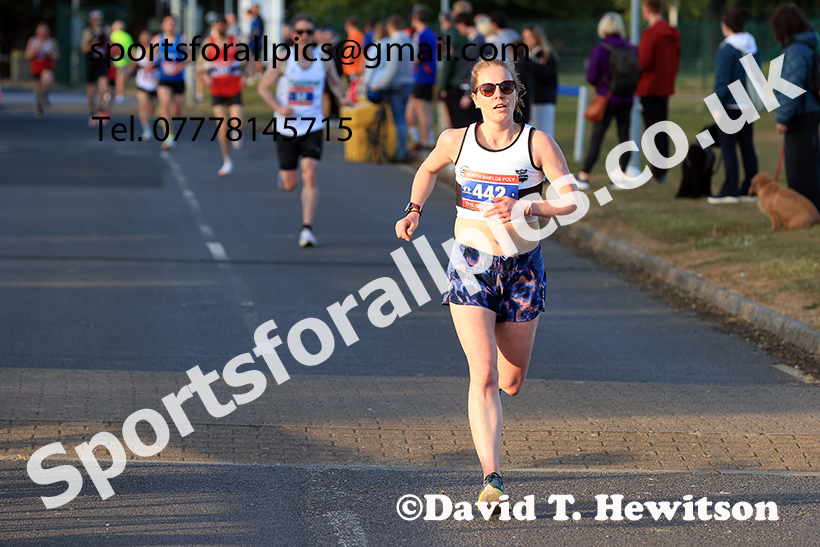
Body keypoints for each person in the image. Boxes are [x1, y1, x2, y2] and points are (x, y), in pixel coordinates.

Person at [395, 58, 578, 508]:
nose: (498, 96)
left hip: (522, 268)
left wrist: (530, 208)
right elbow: (426, 169)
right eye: (488, 89)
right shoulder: (455, 141)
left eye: (506, 87)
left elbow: (573, 201)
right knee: (485, 375)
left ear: (518, 93)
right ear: (474, 97)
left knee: (511, 381)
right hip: (470, 266)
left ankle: (498, 358)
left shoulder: (537, 143)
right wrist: (414, 208)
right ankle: (492, 478)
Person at [258, 14, 351, 248]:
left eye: (309, 32)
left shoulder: (324, 58)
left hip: (313, 125)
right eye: (300, 32)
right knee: (290, 183)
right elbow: (263, 87)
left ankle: (306, 228)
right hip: (286, 127)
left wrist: (343, 97)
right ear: (293, 35)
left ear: (314, 34)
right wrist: (279, 108)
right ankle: (284, 176)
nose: (305, 36)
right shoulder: (283, 59)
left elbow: (334, 82)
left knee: (310, 173)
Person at [576, 13, 638, 190]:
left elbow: (591, 76)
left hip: (607, 98)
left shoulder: (601, 48)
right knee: (624, 136)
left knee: (597, 137)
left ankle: (584, 175)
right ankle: (621, 176)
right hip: (627, 97)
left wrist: (602, 85)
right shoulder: (632, 48)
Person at [769, 3, 820, 211]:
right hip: (808, 110)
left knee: (800, 166)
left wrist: (782, 118)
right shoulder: (806, 45)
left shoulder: (796, 50)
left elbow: (792, 87)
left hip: (802, 113)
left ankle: (807, 209)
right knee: (807, 161)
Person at [707, 9, 761, 205]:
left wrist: (715, 106)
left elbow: (722, 82)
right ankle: (750, 188)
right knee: (747, 147)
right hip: (748, 103)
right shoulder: (753, 46)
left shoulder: (727, 49)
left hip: (729, 104)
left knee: (729, 148)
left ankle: (730, 189)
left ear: (726, 26)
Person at [635, 0, 681, 184]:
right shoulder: (673, 33)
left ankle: (656, 171)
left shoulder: (651, 34)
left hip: (649, 86)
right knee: (661, 129)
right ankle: (661, 170)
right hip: (664, 86)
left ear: (647, 10)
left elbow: (643, 61)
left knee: (652, 131)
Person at [198, 14, 245, 176]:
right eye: (217, 24)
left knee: (237, 119)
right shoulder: (208, 44)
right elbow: (200, 67)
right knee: (222, 125)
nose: (220, 27)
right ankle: (227, 159)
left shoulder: (234, 41)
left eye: (222, 24)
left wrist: (245, 75)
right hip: (217, 88)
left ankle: (236, 133)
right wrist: (204, 76)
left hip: (233, 85)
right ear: (213, 26)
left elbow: (248, 58)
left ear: (226, 25)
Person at [368, 15, 415, 163]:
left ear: (389, 27)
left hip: (396, 85)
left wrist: (380, 84)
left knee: (399, 120)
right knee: (401, 119)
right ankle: (401, 149)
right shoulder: (408, 39)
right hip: (407, 82)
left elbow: (392, 69)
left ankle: (401, 152)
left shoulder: (396, 41)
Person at [154, 15, 189, 150]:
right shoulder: (158, 39)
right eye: (168, 23)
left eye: (172, 23)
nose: (170, 26)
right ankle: (168, 136)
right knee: (166, 104)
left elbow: (191, 56)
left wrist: (182, 64)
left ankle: (163, 116)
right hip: (163, 78)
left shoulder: (182, 39)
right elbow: (149, 55)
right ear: (163, 25)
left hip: (178, 79)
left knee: (177, 111)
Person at [406, 5, 438, 151]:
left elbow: (418, 55)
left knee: (420, 110)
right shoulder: (431, 33)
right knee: (426, 109)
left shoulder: (420, 34)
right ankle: (427, 140)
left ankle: (424, 141)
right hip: (429, 75)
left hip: (421, 76)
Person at [519, 23, 558, 137]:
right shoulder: (526, 57)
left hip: (543, 102)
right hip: (529, 102)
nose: (527, 40)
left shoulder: (546, 56)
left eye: (530, 37)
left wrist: (531, 65)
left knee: (544, 134)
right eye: (524, 37)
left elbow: (547, 77)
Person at [449, 12, 486, 128]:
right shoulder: (477, 41)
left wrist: (467, 94)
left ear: (462, 24)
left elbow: (472, 69)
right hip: (471, 89)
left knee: (469, 125)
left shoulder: (476, 43)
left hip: (470, 90)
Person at [80, 10, 111, 127]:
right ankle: (92, 110)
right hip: (92, 63)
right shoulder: (88, 32)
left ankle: (100, 110)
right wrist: (91, 46)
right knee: (91, 90)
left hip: (102, 62)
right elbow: (83, 48)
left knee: (103, 87)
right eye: (94, 19)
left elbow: (110, 45)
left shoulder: (105, 32)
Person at [129, 30, 159, 140]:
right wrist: (125, 75)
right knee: (143, 104)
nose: (145, 39)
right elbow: (132, 65)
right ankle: (146, 129)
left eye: (147, 36)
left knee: (152, 108)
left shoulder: (156, 50)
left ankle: (153, 120)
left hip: (154, 83)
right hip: (142, 82)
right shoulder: (137, 51)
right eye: (143, 37)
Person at [25, 23, 59, 118]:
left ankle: (45, 96)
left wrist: (51, 53)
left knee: (47, 80)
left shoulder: (51, 42)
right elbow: (27, 55)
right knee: (38, 87)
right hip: (36, 66)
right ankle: (39, 104)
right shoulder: (33, 41)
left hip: (46, 66)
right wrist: (34, 51)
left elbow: (56, 54)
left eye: (44, 31)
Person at [109, 20, 133, 105]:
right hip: (123, 61)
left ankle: (110, 95)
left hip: (112, 62)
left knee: (112, 79)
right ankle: (120, 96)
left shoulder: (111, 36)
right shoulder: (127, 36)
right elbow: (131, 50)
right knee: (120, 79)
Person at [343, 16, 365, 101]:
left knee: (352, 93)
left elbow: (352, 47)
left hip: (352, 68)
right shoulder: (360, 34)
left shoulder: (354, 34)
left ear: (348, 25)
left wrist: (348, 60)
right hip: (357, 67)